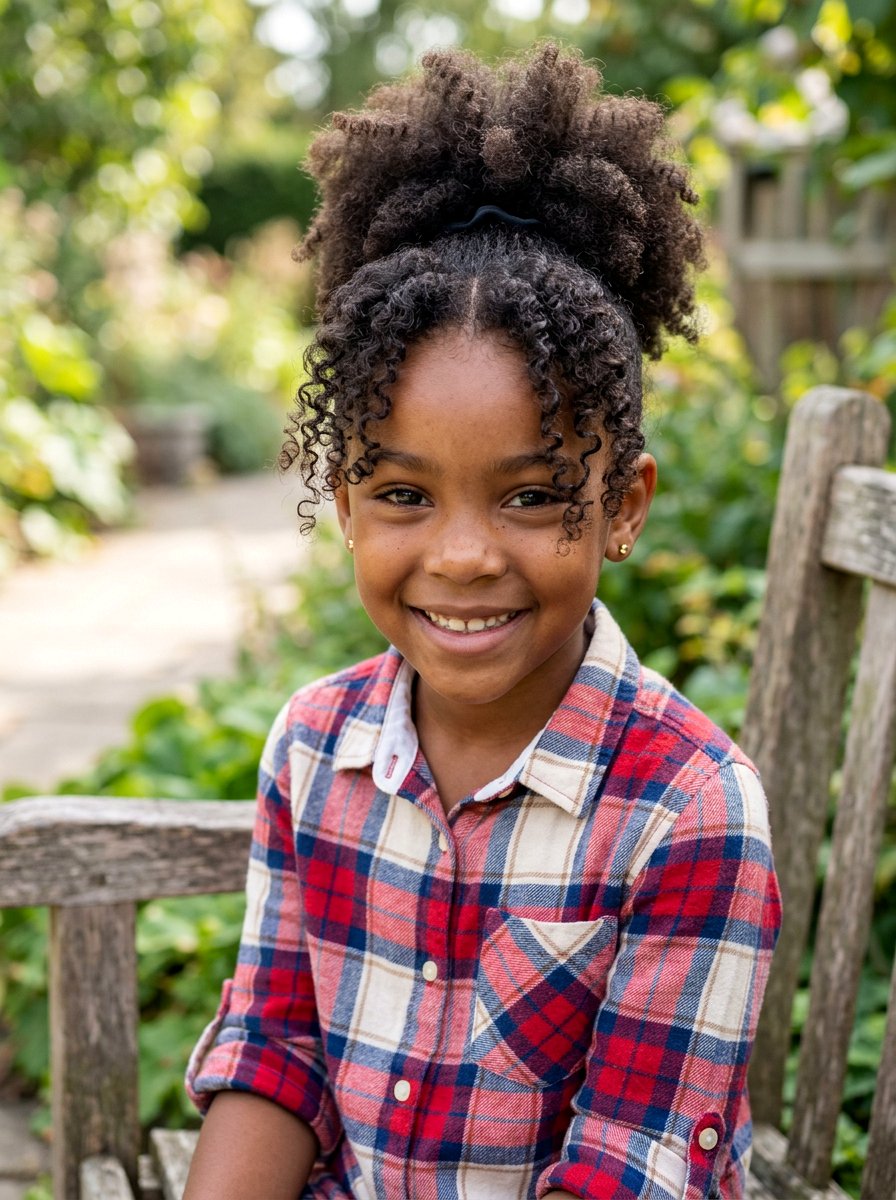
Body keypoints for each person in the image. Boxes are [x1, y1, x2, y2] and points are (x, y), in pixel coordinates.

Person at [183, 43, 781, 1200]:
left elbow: (627, 1170)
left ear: (622, 507)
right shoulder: (316, 749)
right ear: (347, 504)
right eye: (404, 495)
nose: (461, 555)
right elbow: (277, 1055)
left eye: (531, 495)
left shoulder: (689, 813)